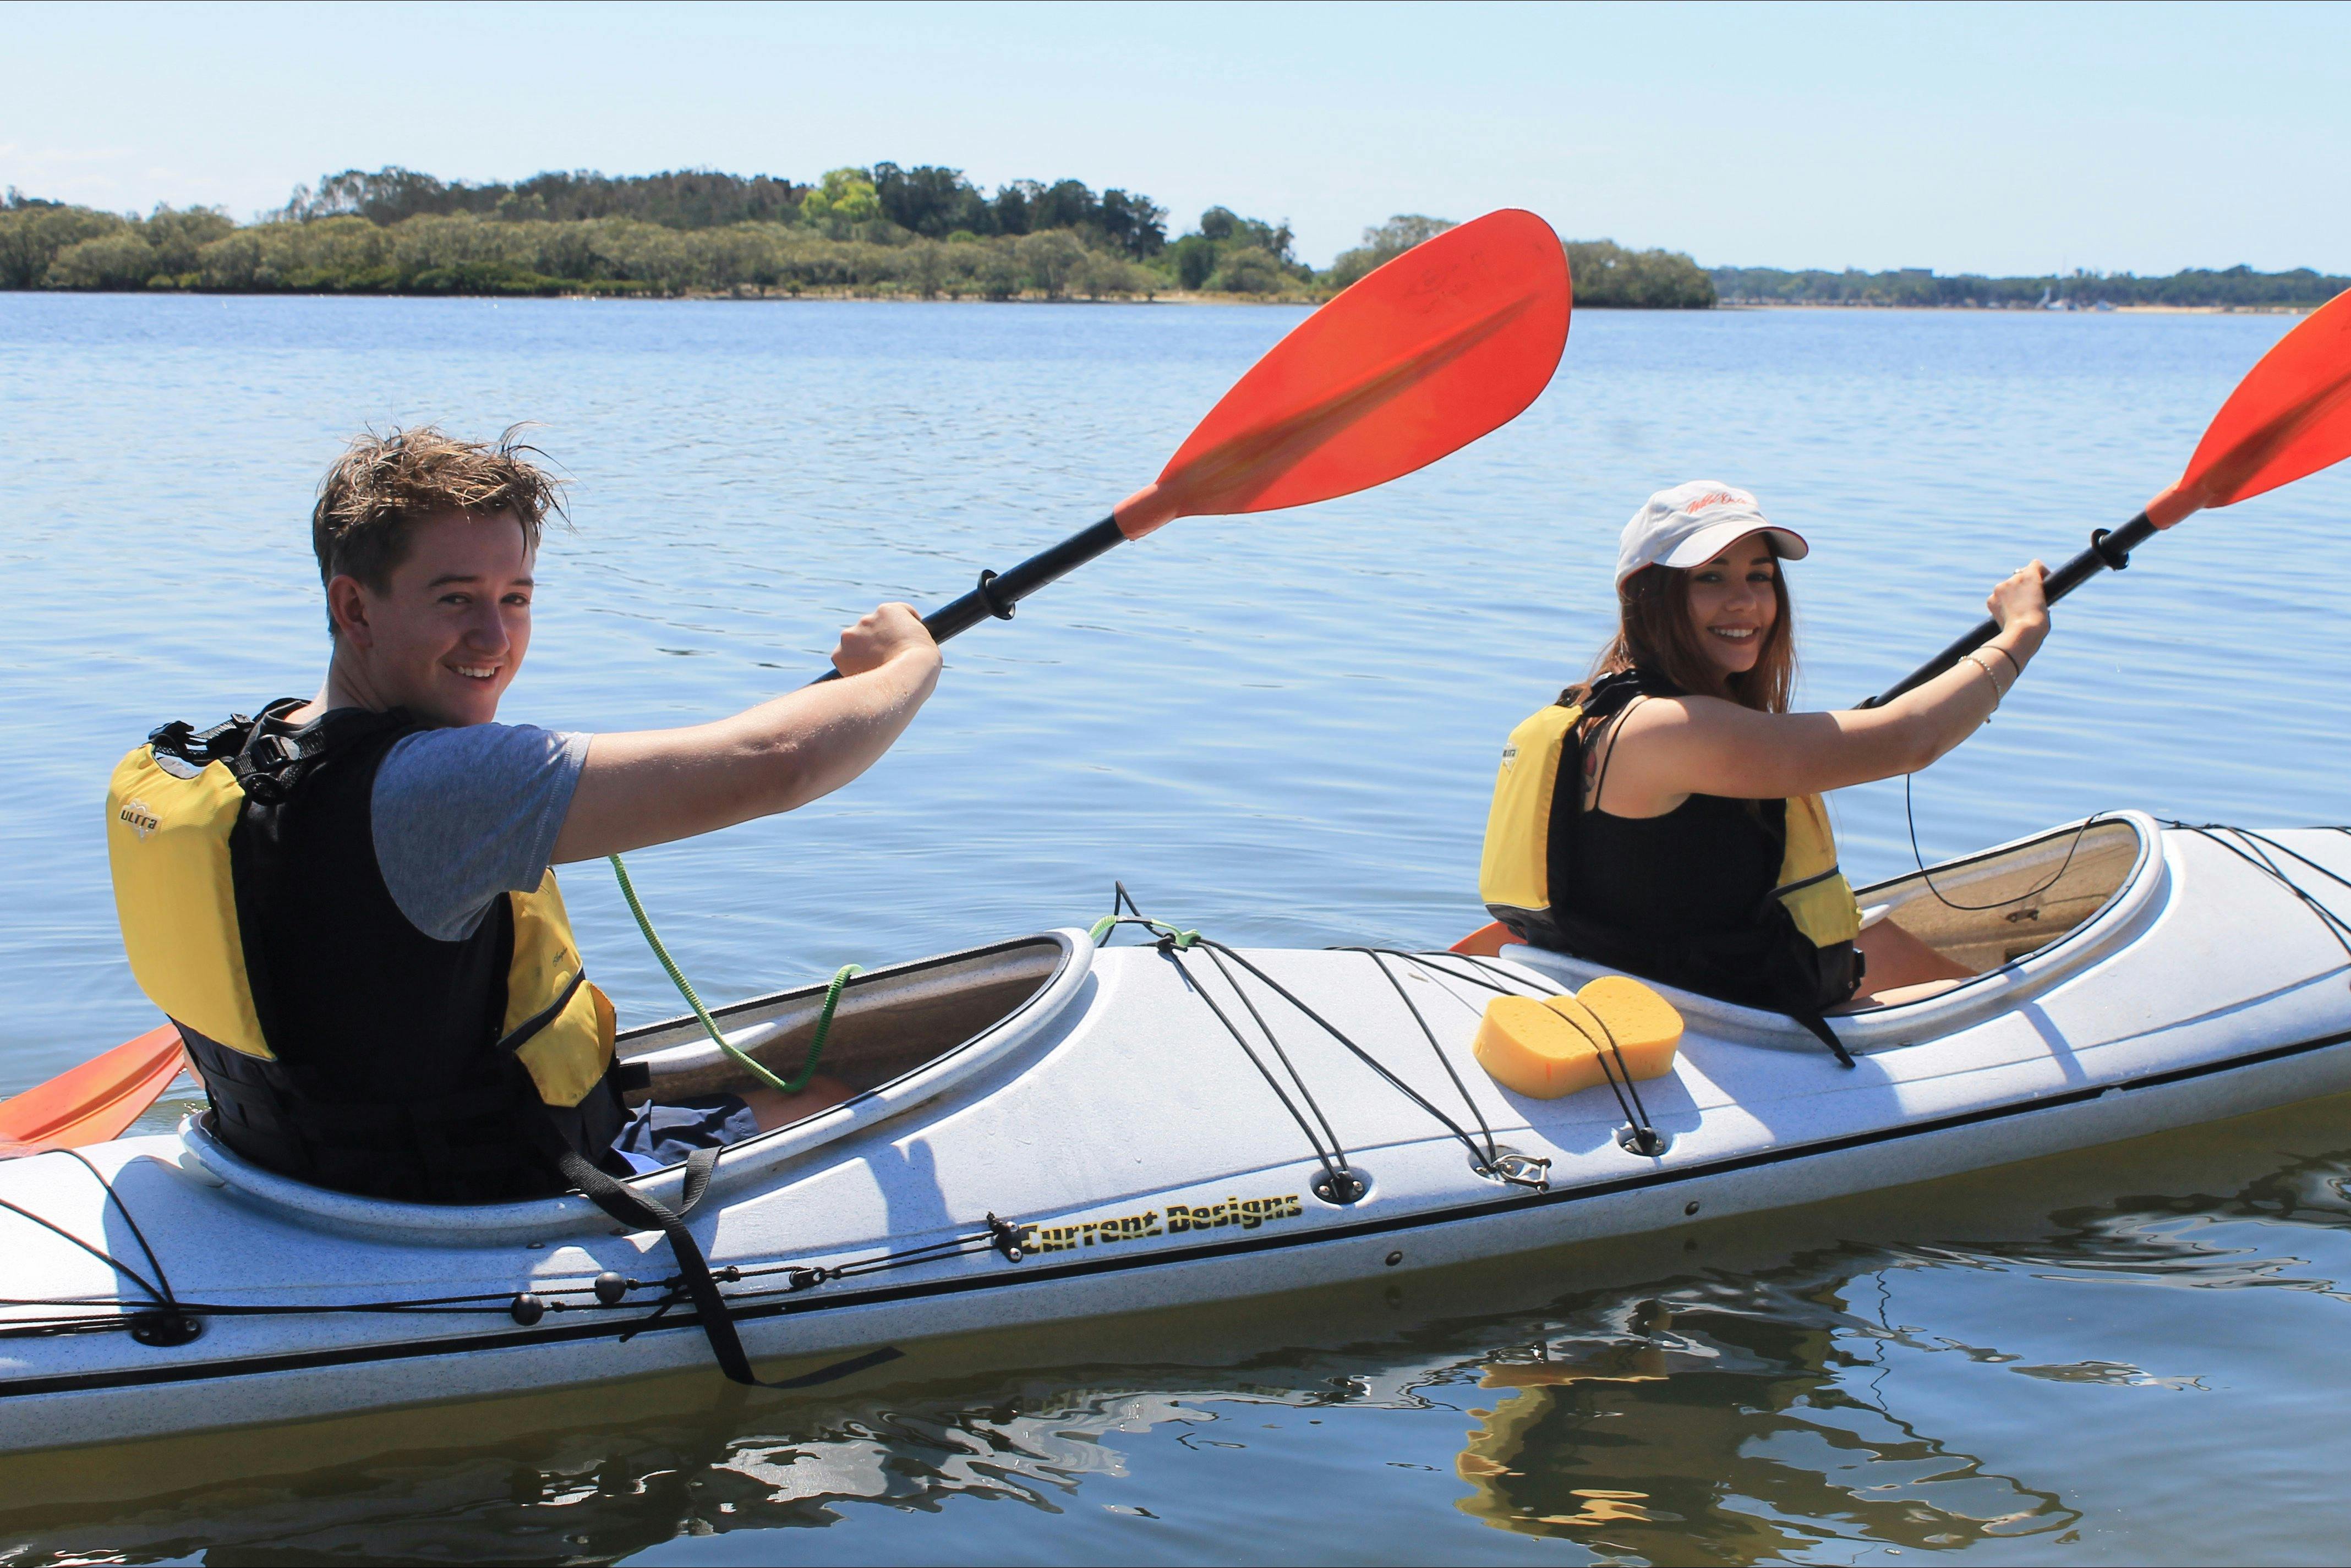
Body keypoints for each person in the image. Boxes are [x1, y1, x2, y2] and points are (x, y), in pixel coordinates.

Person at [105, 427, 942, 1203]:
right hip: (487, 1200)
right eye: (456, 599)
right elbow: (777, 765)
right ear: (355, 607)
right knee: (835, 1100)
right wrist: (910, 661)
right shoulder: (442, 787)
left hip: (290, 1169)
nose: (493, 637)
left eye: (516, 598)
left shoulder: (250, 757)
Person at [1478, 480, 2048, 1041]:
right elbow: (1911, 739)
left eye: (1760, 576)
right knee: (2013, 1013)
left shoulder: (1598, 705)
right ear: (1645, 595)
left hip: (1690, 988)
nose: (1744, 601)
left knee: (1884, 944)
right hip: (1725, 1032)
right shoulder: (1668, 728)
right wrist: (2019, 633)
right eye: (1710, 578)